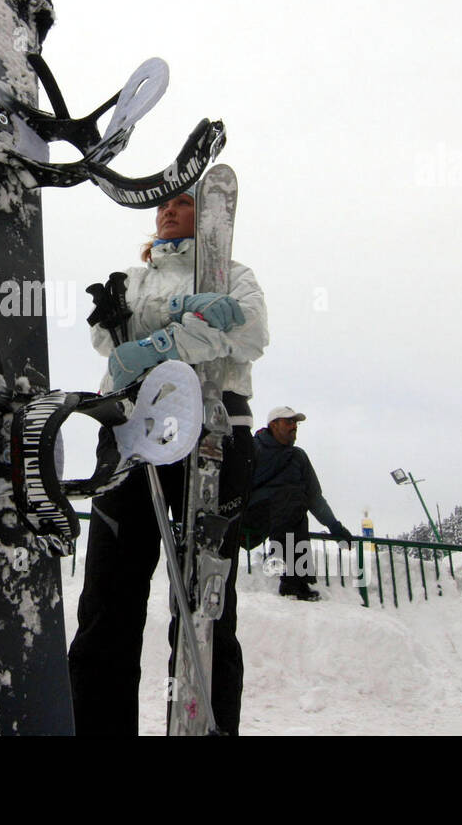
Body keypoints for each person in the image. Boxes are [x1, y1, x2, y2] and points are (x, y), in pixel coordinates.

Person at [67, 189, 269, 736]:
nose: (168, 211)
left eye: (182, 204)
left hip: (217, 425)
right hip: (131, 424)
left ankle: (205, 723)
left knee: (206, 598)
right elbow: (107, 347)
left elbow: (250, 334)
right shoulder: (129, 281)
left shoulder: (234, 273)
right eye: (162, 206)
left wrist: (161, 342)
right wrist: (187, 329)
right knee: (110, 595)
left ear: (206, 220)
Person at [246, 407, 353, 601]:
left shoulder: (298, 457)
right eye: (288, 422)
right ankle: (286, 571)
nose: (294, 426)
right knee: (291, 498)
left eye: (296, 423)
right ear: (273, 424)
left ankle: (294, 579)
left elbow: (314, 497)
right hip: (253, 518)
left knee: (296, 503)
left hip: (287, 515)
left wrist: (335, 526)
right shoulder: (253, 449)